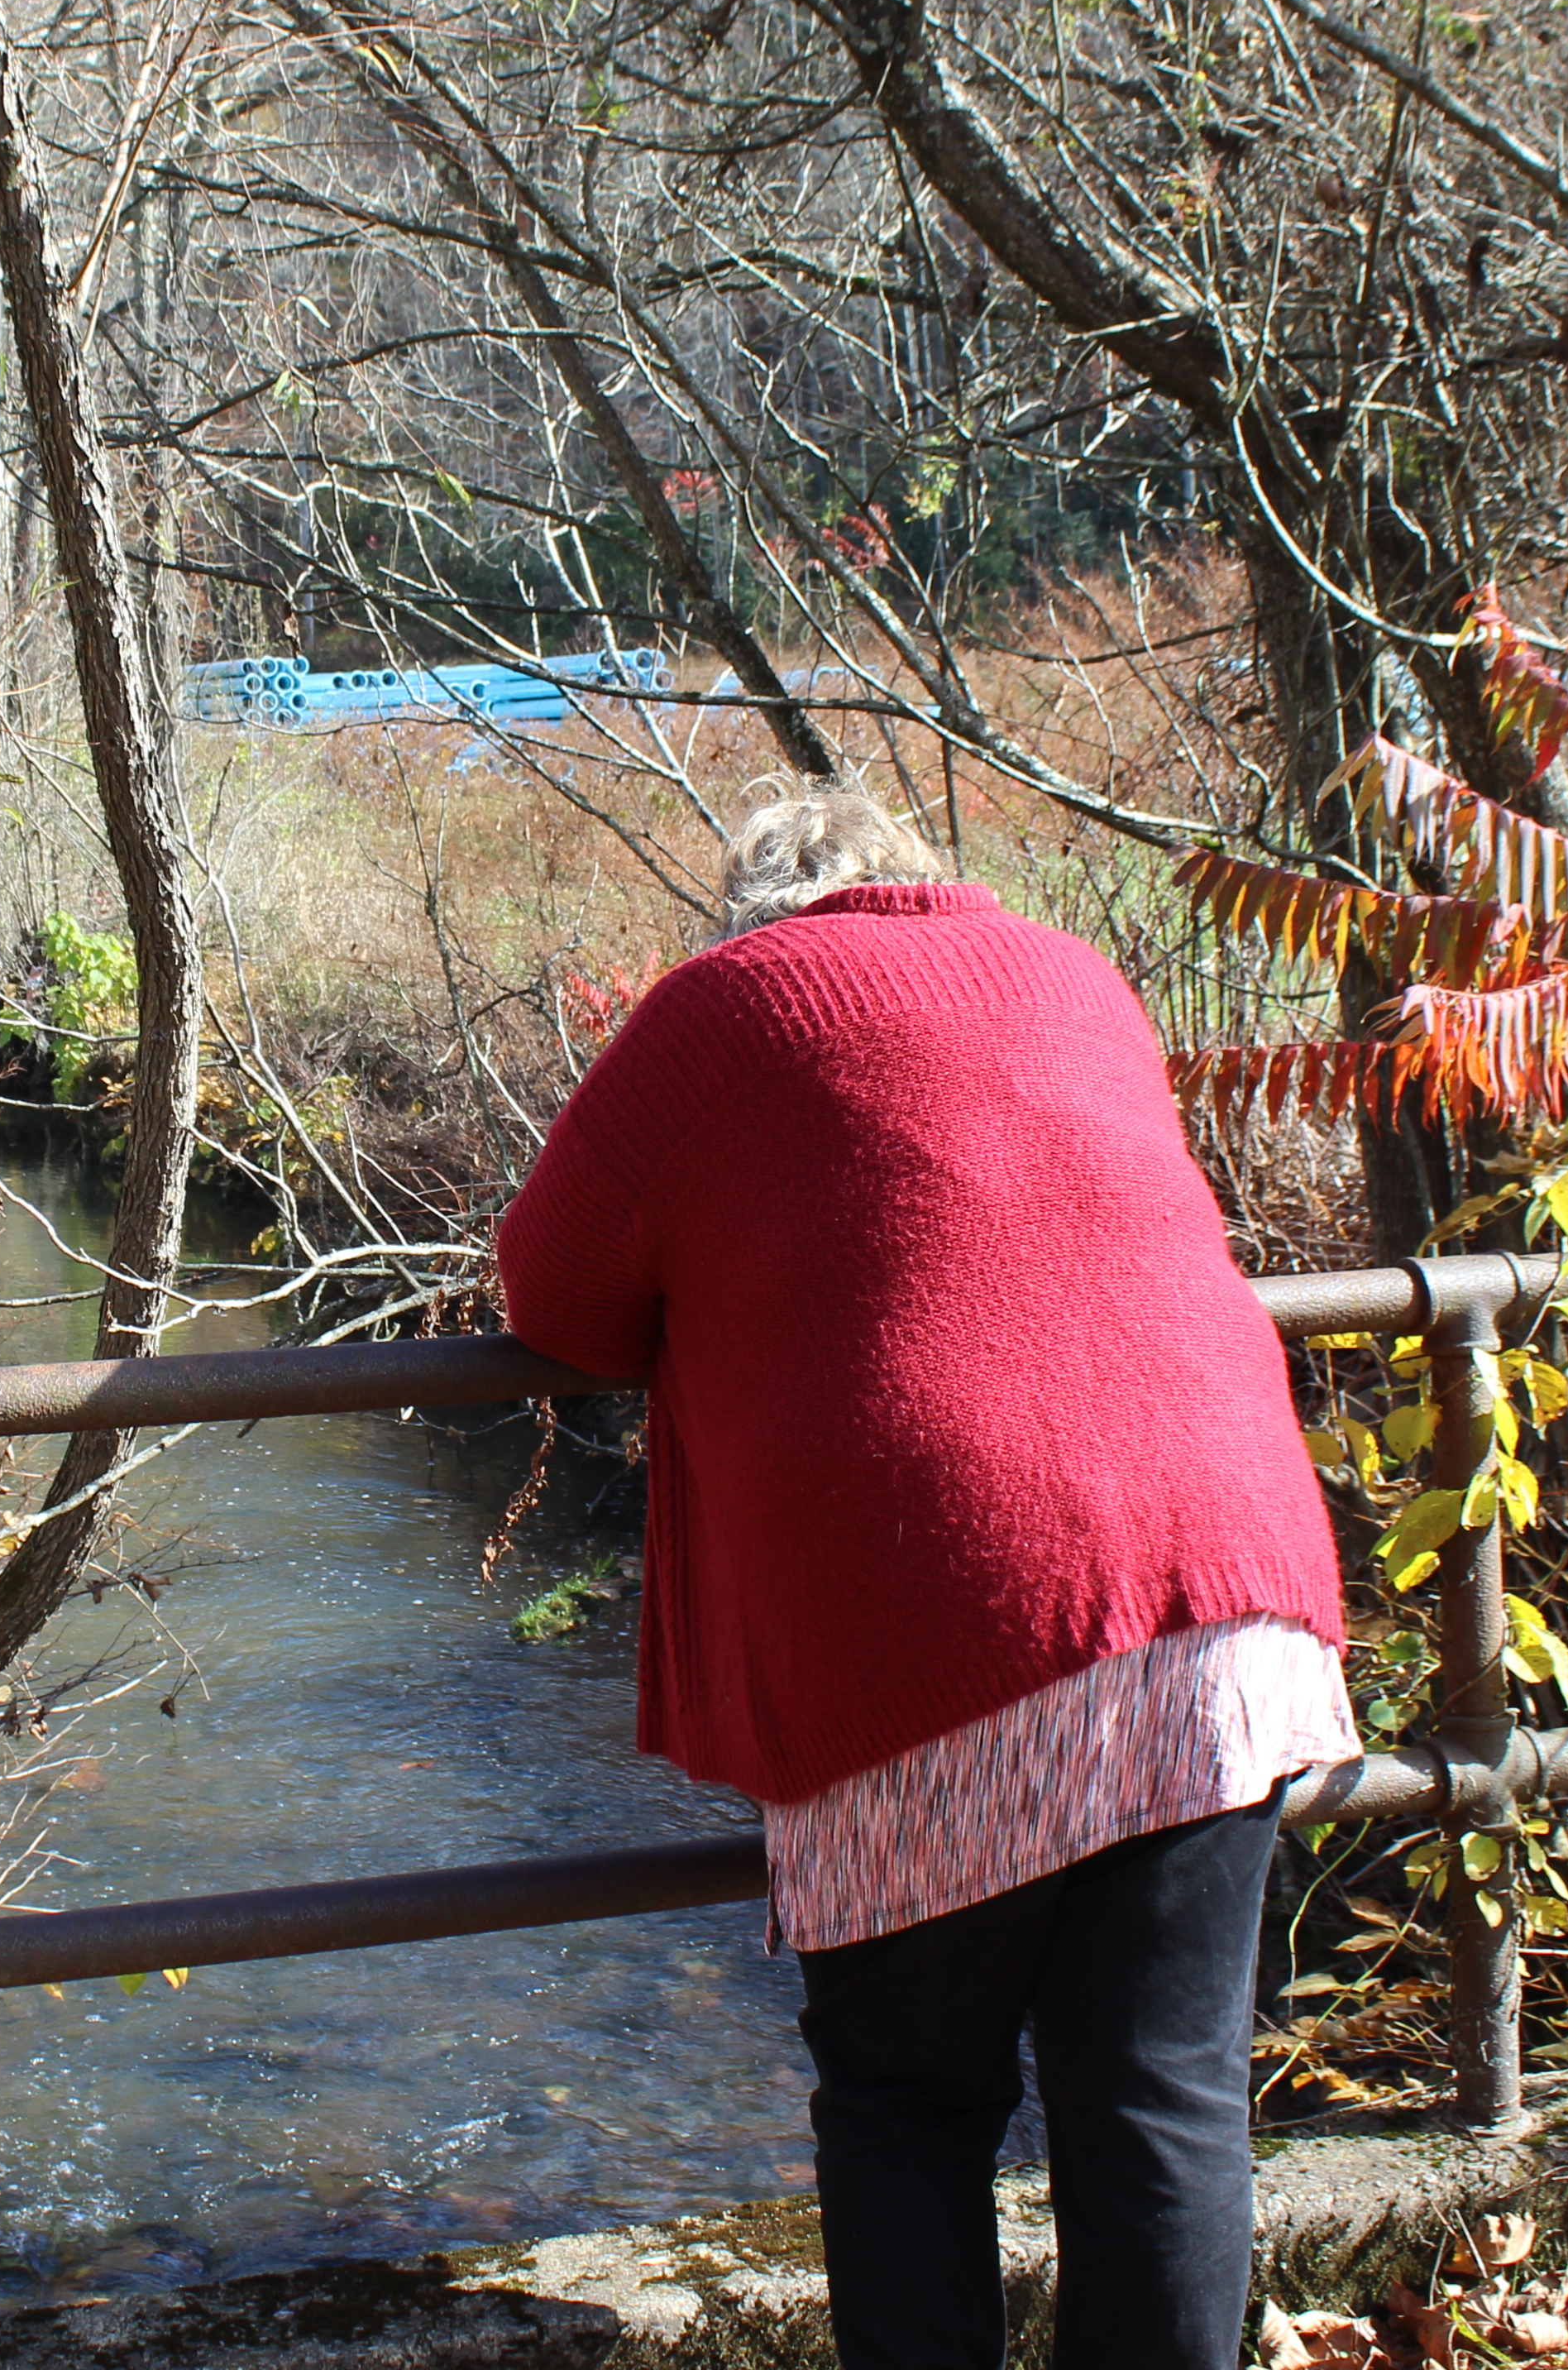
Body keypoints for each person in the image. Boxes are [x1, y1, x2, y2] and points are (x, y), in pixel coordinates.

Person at [495, 790, 1355, 2370]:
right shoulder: (1074, 974)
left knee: (910, 2103)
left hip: (935, 1610)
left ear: (759, 911)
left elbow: (553, 1295)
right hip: (1226, 1597)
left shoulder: (720, 1010)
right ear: (918, 883)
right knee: (1161, 2100)